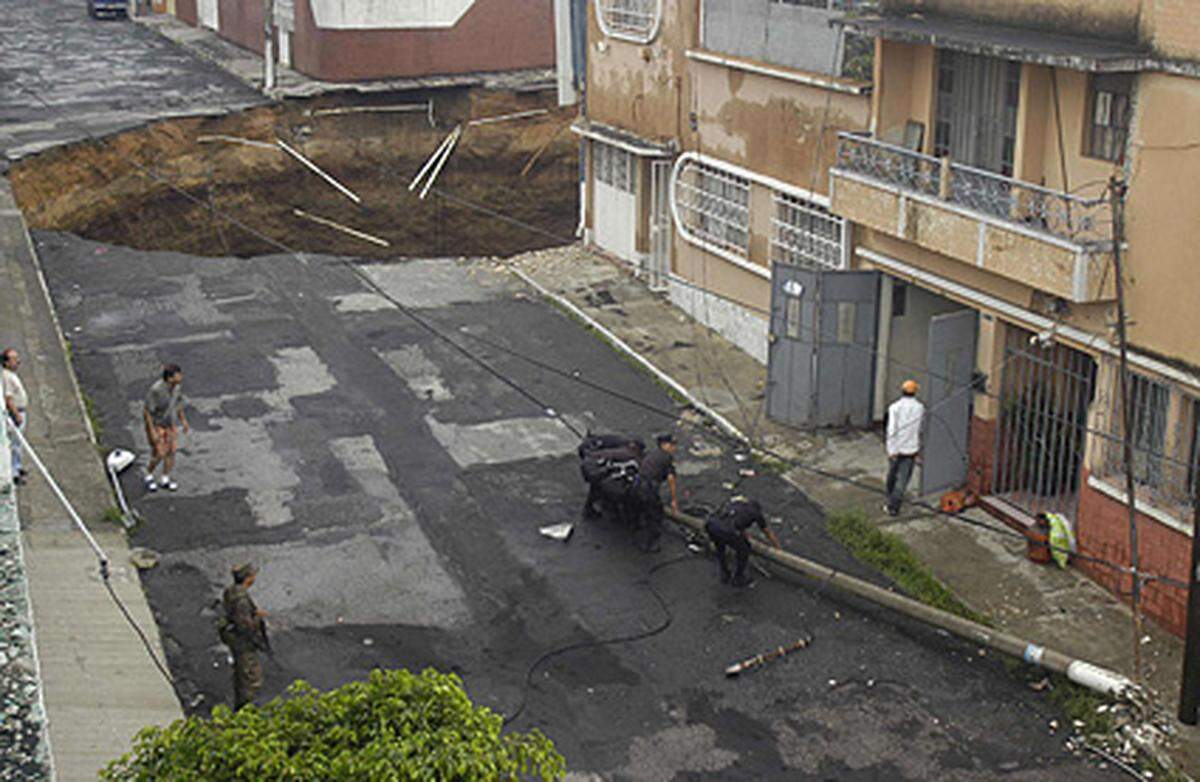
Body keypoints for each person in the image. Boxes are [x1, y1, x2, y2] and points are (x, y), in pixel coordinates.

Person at [220, 563, 268, 710]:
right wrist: (257, 619)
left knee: (240, 674)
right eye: (252, 575)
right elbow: (245, 626)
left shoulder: (231, 592)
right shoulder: (241, 600)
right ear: (247, 579)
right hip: (243, 644)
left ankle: (241, 706)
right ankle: (247, 709)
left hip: (234, 640)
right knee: (251, 677)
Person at [704, 497, 782, 587]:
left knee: (720, 547)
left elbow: (736, 520)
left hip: (712, 525)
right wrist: (777, 547)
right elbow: (767, 532)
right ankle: (738, 578)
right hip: (727, 530)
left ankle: (724, 572)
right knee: (744, 549)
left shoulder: (738, 504)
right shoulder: (756, 513)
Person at [142, 363, 189, 492]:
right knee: (159, 453)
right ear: (169, 378)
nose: (181, 377)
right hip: (158, 424)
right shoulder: (156, 391)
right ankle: (149, 474)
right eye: (177, 375)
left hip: (170, 424)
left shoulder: (177, 388)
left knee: (171, 452)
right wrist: (152, 431)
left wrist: (183, 421)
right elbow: (147, 412)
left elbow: (178, 404)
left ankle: (165, 478)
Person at [632, 433, 680, 553]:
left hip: (637, 484)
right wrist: (674, 500)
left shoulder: (653, 454)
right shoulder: (667, 458)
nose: (674, 448)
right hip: (648, 488)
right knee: (655, 515)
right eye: (672, 445)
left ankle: (635, 527)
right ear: (664, 445)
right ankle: (649, 544)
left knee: (641, 508)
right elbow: (671, 479)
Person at [885, 379, 926, 516]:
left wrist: (891, 450)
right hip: (911, 449)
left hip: (896, 448)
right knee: (902, 479)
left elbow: (891, 430)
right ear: (915, 392)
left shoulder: (894, 407)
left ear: (902, 391)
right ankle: (894, 505)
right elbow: (920, 429)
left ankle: (891, 500)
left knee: (892, 474)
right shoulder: (920, 408)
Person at [2, 349, 29, 486]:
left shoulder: (11, 375)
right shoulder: (6, 377)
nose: (17, 361)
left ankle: (17, 467)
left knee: (18, 443)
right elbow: (8, 398)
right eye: (13, 359)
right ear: (6, 362)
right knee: (15, 444)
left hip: (21, 411)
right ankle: (13, 473)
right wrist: (17, 415)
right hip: (16, 413)